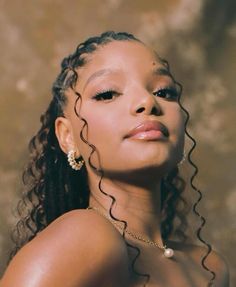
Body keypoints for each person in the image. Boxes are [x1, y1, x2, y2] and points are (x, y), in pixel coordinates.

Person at [1, 31, 229, 287]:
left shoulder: (210, 268)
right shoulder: (87, 235)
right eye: (107, 94)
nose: (147, 101)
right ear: (68, 137)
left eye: (164, 92)